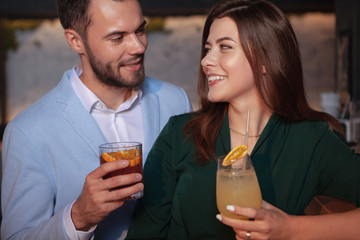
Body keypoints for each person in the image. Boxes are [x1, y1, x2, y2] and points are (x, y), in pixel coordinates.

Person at [125, 0, 360, 239]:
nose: (206, 62)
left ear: (266, 60)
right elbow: (144, 232)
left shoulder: (312, 139)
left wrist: (289, 229)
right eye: (207, 49)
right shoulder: (180, 134)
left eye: (224, 47)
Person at [1, 0, 192, 239]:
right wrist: (79, 216)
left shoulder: (175, 100)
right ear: (75, 41)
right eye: (117, 37)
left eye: (140, 30)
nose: (138, 46)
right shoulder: (27, 131)